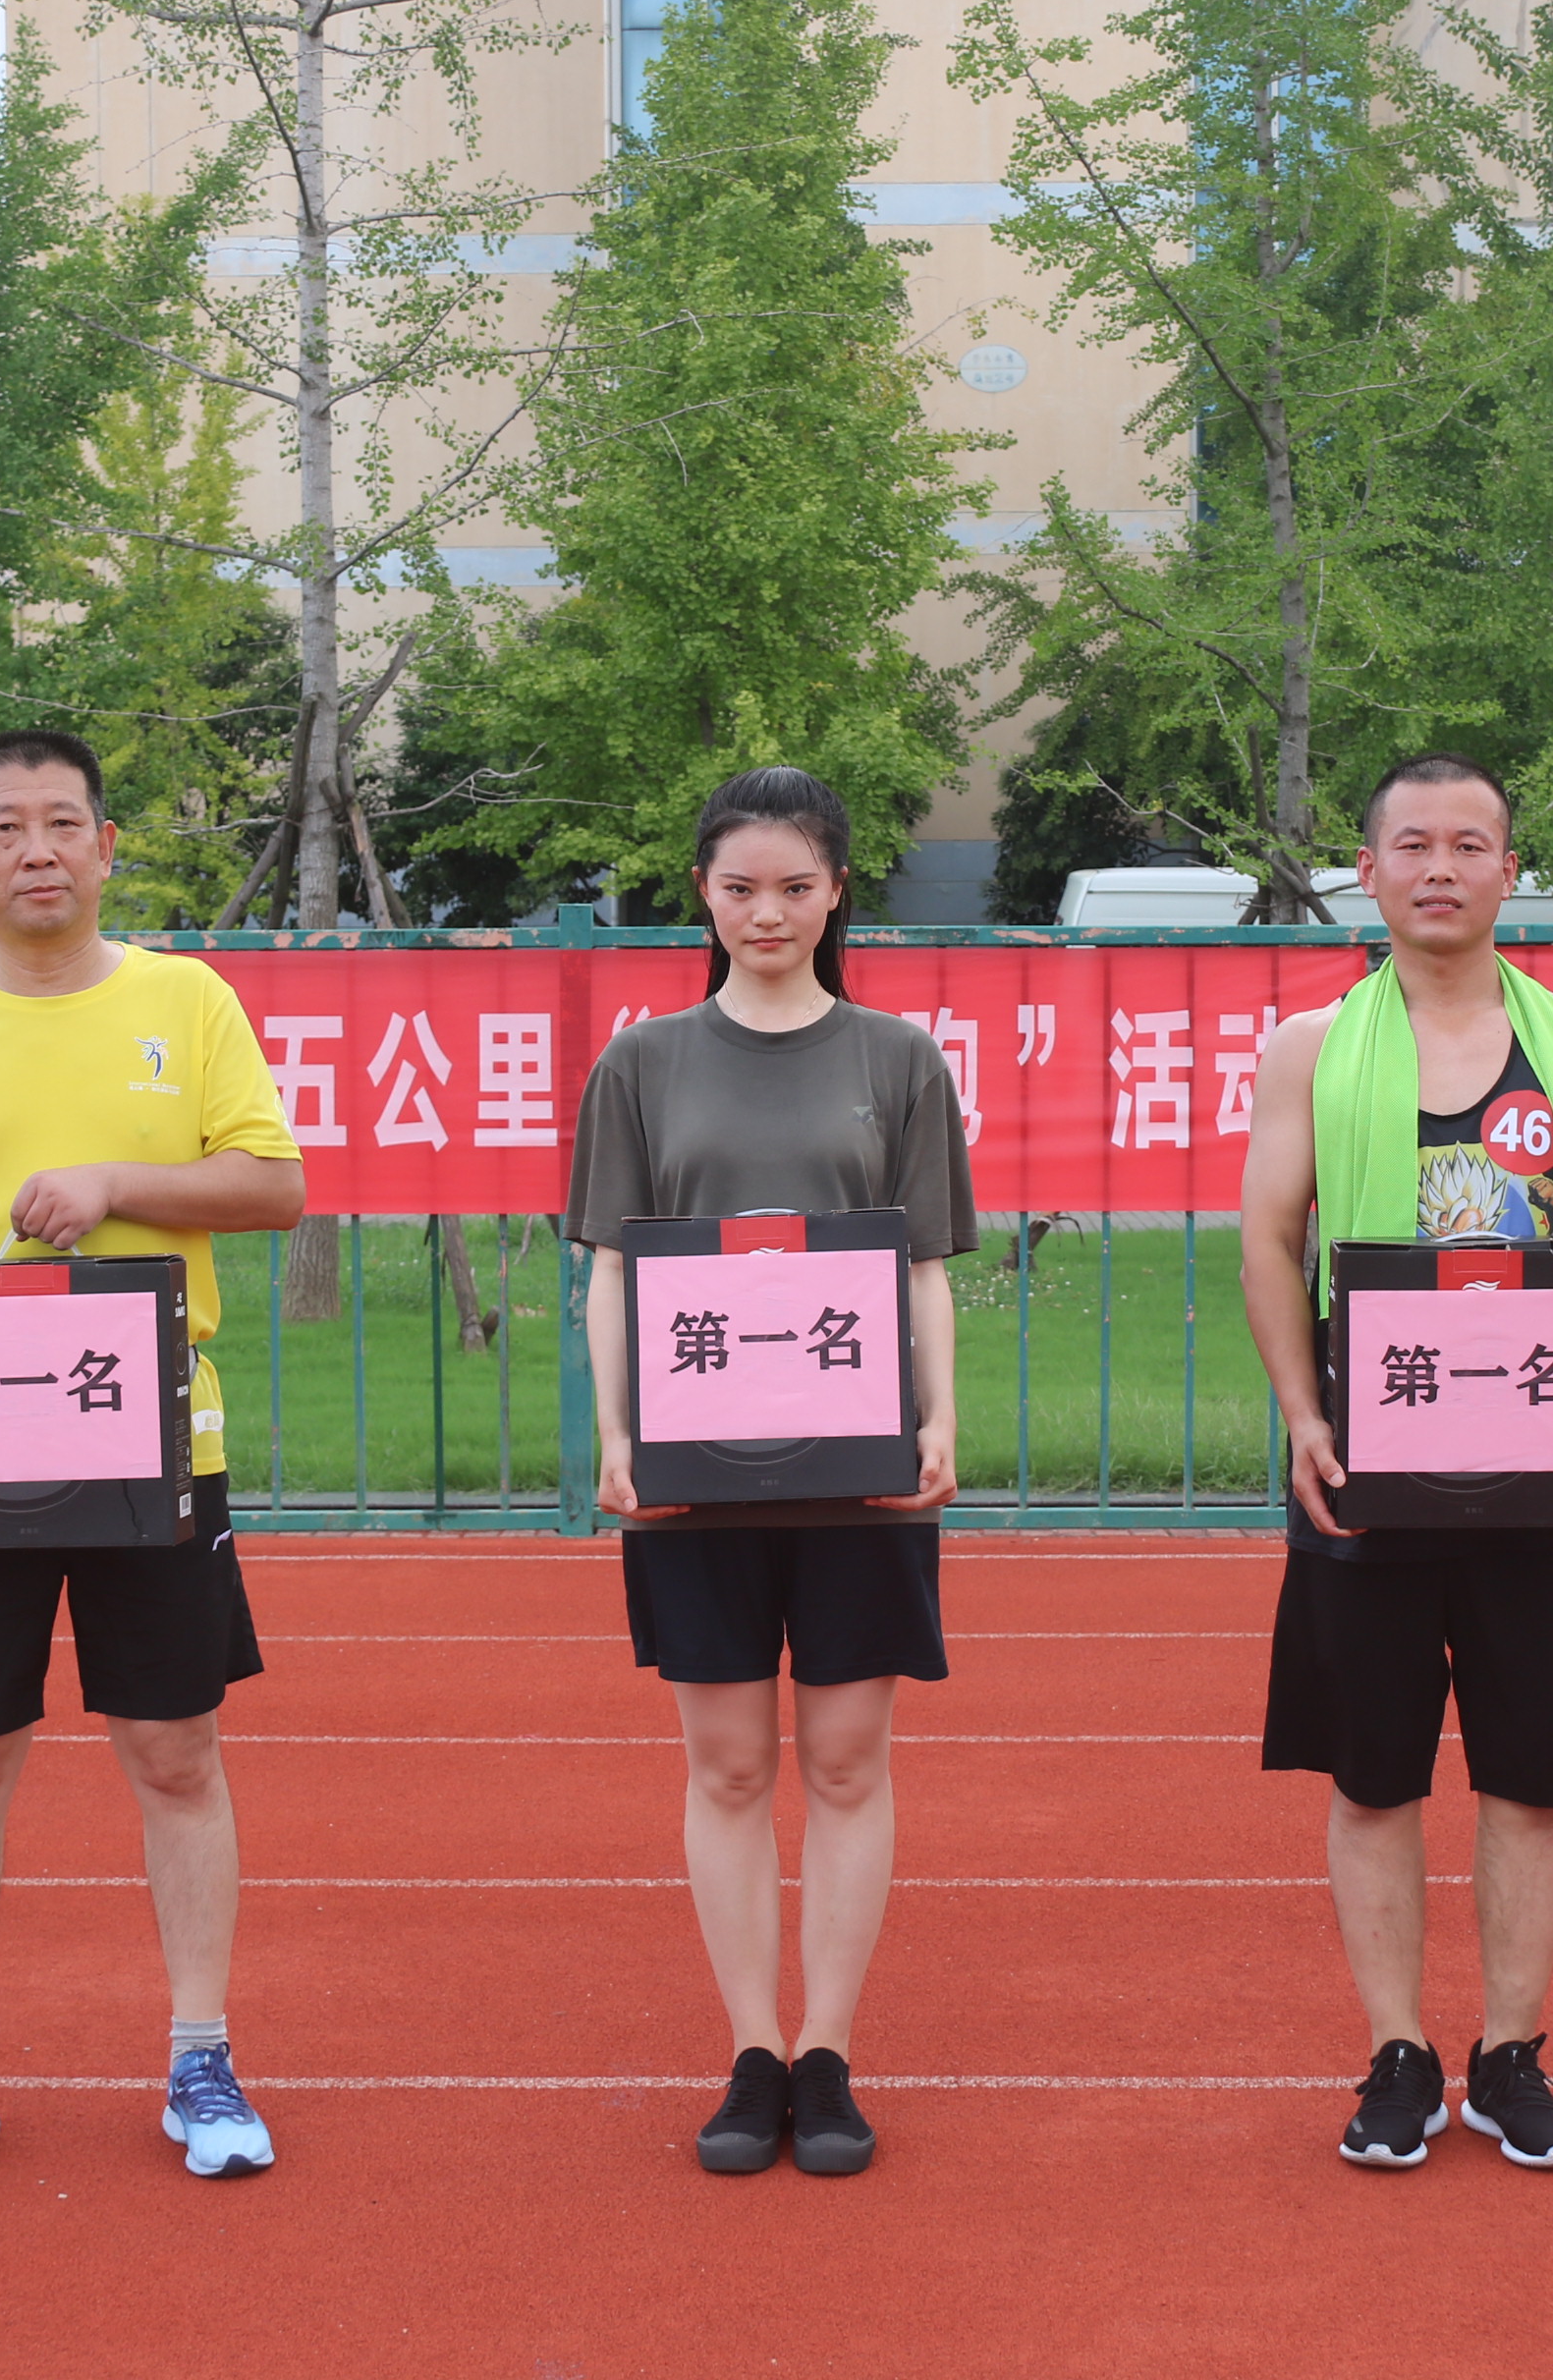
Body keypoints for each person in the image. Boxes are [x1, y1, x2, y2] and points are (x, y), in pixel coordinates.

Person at [0, 730, 306, 2189]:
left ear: (105, 847)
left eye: (65, 823)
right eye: (8, 827)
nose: (39, 850)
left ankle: (202, 2056)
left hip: (153, 1437)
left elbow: (273, 1185)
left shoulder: (185, 999)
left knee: (174, 1748)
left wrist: (114, 1184)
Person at [1237, 753, 1553, 2172]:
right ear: (1367, 871)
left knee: (1534, 1776)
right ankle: (1398, 2053)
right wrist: (1302, 1415)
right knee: (1373, 1777)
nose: (1441, 867)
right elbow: (1271, 1239)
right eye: (1412, 844)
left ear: (1508, 870)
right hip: (1371, 1458)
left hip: (1543, 1459)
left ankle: (1511, 2054)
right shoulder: (1312, 1049)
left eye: (1469, 844)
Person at [567, 767, 971, 2177]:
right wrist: (618, 1434)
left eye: (797, 886)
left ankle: (828, 2053)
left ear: (837, 892)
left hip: (859, 1469)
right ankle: (752, 2050)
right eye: (741, 887)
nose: (768, 913)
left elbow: (922, 1266)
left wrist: (938, 1418)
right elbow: (614, 1270)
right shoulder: (642, 1066)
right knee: (730, 1766)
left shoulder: (897, 1061)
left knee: (848, 1763)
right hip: (699, 1472)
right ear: (703, 894)